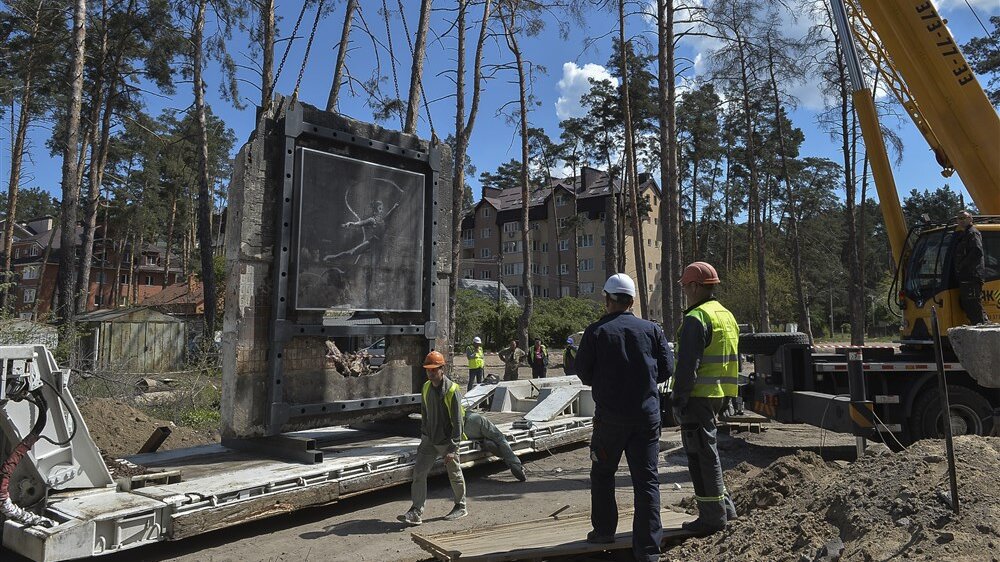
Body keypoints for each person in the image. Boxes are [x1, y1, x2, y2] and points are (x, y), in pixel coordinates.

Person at [575, 273, 674, 562]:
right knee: (647, 481)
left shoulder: (595, 332)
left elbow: (583, 372)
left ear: (607, 299)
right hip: (646, 418)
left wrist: (606, 384)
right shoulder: (652, 330)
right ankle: (647, 550)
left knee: (603, 474)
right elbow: (667, 369)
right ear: (632, 301)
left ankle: (604, 531)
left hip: (610, 420)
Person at [670, 261, 741, 536]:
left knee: (702, 457)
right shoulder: (726, 315)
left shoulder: (696, 318)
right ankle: (726, 509)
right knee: (708, 452)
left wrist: (677, 399)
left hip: (697, 397)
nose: (685, 292)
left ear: (696, 286)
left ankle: (712, 518)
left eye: (686, 287)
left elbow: (688, 365)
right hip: (718, 395)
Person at [398, 351, 467, 526]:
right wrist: (424, 434)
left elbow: (458, 421)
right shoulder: (426, 387)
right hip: (429, 439)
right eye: (428, 370)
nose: (430, 373)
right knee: (419, 473)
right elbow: (425, 413)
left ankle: (461, 506)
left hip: (447, 440)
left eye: (434, 370)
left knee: (454, 474)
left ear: (442, 369)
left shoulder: (452, 390)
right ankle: (416, 511)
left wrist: (453, 448)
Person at [463, 410, 527, 481]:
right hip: (471, 419)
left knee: (486, 439)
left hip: (463, 430)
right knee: (500, 439)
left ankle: (489, 443)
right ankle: (515, 465)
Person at [953, 210, 988, 325]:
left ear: (970, 219)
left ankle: (982, 329)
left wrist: (963, 265)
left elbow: (977, 251)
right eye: (959, 218)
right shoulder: (964, 234)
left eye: (964, 218)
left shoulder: (972, 233)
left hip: (972, 275)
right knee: (969, 304)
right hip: (967, 275)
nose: (961, 220)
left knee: (973, 304)